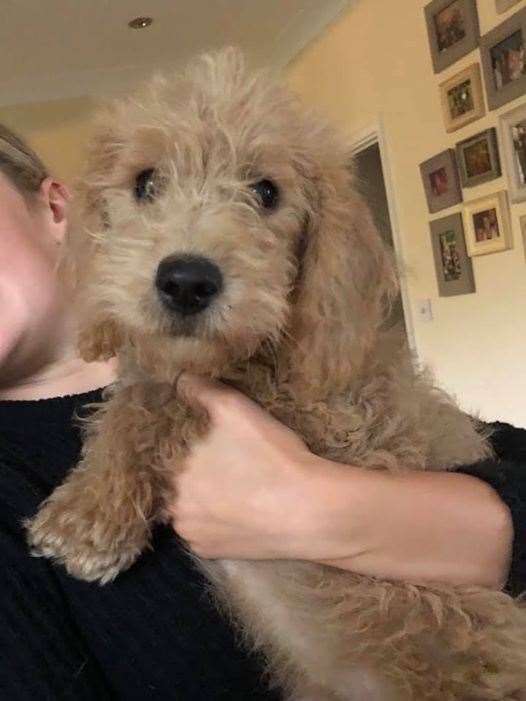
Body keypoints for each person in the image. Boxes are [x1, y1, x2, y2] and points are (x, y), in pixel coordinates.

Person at [0, 124, 524, 700]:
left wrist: (326, 509)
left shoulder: (316, 372)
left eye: (263, 195)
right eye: (151, 184)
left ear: (58, 210)